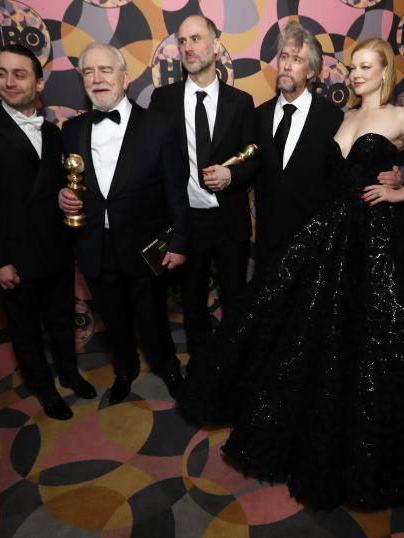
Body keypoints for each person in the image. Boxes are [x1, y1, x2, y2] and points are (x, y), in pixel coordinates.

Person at [177, 38, 404, 513]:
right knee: (323, 336)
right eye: (352, 67)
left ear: (384, 71)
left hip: (383, 237)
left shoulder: (400, 117)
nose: (355, 74)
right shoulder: (345, 118)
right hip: (334, 232)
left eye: (365, 67)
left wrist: (400, 189)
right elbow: (328, 173)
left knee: (392, 333)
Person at [0, 44, 96, 421]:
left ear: (38, 83)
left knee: (62, 319)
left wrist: (65, 197)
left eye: (19, 74)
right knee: (25, 329)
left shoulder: (54, 133)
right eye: (2, 73)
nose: (8, 81)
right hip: (14, 255)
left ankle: (69, 374)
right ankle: (45, 389)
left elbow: (53, 186)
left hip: (56, 247)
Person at [58, 43, 189, 405]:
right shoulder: (71, 130)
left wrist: (179, 242)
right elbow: (69, 184)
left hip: (145, 246)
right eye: (88, 72)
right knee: (113, 319)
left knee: (152, 318)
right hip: (95, 245)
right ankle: (125, 370)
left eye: (105, 70)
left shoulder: (159, 126)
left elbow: (177, 189)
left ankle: (167, 366)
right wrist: (62, 197)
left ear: (124, 76)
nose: (97, 79)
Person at [254, 22, 402, 275]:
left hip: (313, 243)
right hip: (267, 242)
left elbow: (351, 169)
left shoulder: (334, 119)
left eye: (297, 59)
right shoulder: (257, 116)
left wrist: (387, 174)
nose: (287, 65)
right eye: (284, 57)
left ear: (312, 71)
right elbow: (244, 165)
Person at [148, 15, 258, 357]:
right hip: (185, 224)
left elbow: (254, 159)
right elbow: (154, 165)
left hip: (229, 221)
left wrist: (231, 176)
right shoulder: (162, 100)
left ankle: (233, 368)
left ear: (215, 45)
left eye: (196, 39)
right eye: (182, 41)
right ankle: (200, 369)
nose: (188, 47)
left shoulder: (240, 102)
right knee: (192, 303)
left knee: (235, 300)